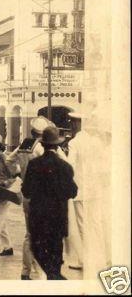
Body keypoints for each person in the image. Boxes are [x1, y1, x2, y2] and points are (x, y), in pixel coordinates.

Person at [5, 116, 61, 280]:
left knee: (30, 234)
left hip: (27, 194)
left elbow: (9, 161)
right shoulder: (42, 149)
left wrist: (18, 173)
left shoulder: (25, 145)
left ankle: (26, 271)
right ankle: (41, 269)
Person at [22, 126, 78, 280]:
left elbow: (26, 191)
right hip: (58, 218)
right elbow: (73, 192)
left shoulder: (34, 165)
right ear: (57, 145)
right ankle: (55, 275)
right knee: (55, 251)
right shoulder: (65, 167)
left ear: (43, 144)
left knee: (39, 249)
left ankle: (52, 275)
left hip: (38, 218)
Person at [66, 112, 94, 271]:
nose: (71, 126)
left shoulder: (75, 142)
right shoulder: (93, 141)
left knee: (81, 225)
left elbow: (71, 167)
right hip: (94, 190)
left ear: (77, 124)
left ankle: (84, 260)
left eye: (72, 123)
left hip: (80, 190)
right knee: (94, 224)